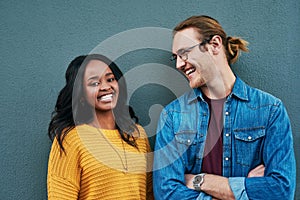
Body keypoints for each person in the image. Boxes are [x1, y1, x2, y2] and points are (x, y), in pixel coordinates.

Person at [153, 15, 296, 200]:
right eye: (176, 57)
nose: (179, 64)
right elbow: (166, 193)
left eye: (185, 53)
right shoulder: (173, 116)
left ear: (214, 45)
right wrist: (245, 189)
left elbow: (281, 191)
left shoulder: (270, 110)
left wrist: (200, 181)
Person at [47, 54, 153, 200]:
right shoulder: (70, 139)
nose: (105, 87)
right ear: (81, 94)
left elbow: (150, 193)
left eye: (110, 79)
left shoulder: (137, 134)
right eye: (94, 83)